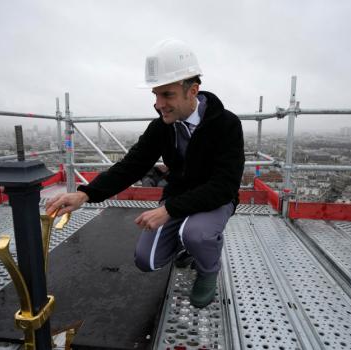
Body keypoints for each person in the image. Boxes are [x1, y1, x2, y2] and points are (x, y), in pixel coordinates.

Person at [46, 38, 244, 308]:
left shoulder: (226, 124)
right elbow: (131, 166)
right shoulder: (162, 127)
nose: (158, 103)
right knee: (146, 260)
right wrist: (85, 194)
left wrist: (169, 210)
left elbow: (224, 185)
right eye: (156, 95)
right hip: (179, 198)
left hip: (215, 200)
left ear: (193, 91)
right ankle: (190, 247)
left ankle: (208, 269)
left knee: (196, 233)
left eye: (167, 95)